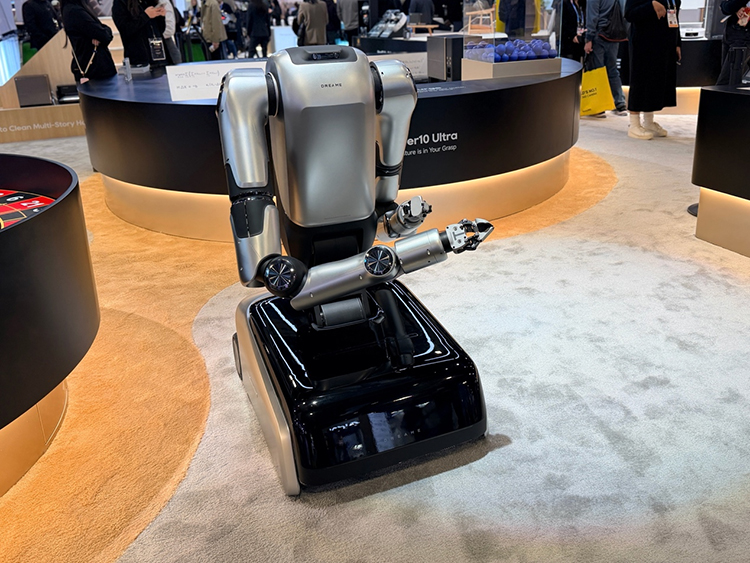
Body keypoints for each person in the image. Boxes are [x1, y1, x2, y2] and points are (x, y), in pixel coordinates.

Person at [624, 0, 681, 139]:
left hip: (665, 42)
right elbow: (629, 14)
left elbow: (674, 15)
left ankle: (648, 121)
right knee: (640, 80)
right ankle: (634, 123)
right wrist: (651, 6)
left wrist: (677, 43)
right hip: (643, 42)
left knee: (656, 81)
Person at [584, 0, 628, 116]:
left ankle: (599, 107)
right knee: (613, 70)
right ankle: (620, 104)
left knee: (598, 70)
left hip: (599, 34)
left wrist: (588, 38)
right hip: (615, 34)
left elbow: (592, 16)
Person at [61, 0, 116, 81]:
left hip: (91, 66)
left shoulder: (71, 8)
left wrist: (104, 31)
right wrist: (105, 31)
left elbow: (102, 31)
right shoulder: (75, 11)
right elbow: (104, 35)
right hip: (95, 70)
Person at [112, 0, 167, 67]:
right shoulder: (121, 3)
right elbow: (125, 29)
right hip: (138, 58)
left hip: (158, 54)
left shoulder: (148, 2)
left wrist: (161, 16)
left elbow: (160, 29)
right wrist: (145, 16)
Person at [716, 0, 750, 85]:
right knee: (727, 79)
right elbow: (725, 7)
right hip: (730, 34)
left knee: (728, 80)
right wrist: (736, 9)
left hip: (744, 38)